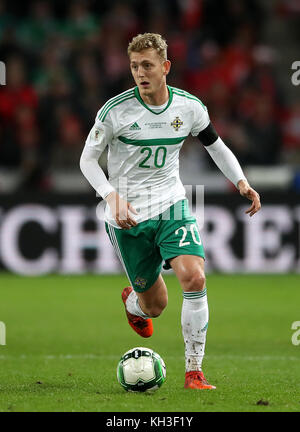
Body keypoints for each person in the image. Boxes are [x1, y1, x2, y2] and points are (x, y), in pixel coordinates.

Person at [80, 33, 261, 390]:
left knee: (194, 277)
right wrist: (110, 196)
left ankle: (194, 371)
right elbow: (87, 160)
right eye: (134, 66)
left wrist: (241, 182)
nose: (140, 73)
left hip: (170, 205)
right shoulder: (114, 112)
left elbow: (217, 146)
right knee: (155, 306)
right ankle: (134, 301)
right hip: (126, 216)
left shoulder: (189, 107)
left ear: (165, 67)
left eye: (147, 65)